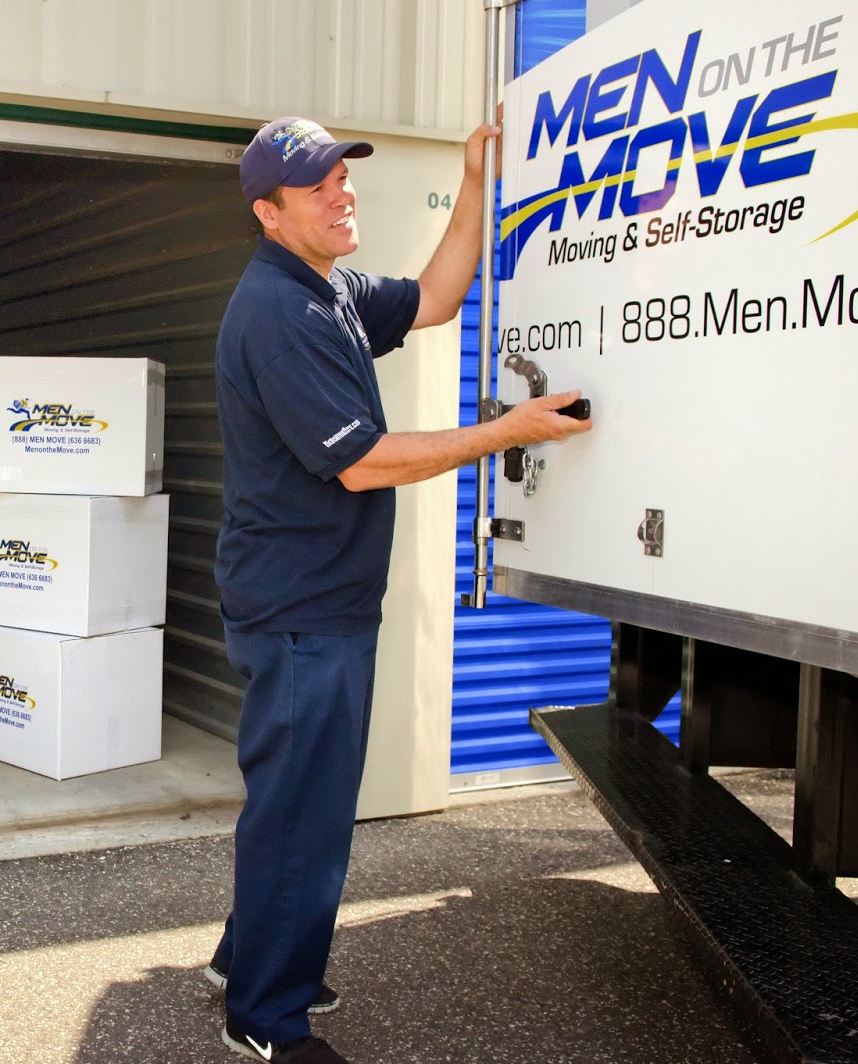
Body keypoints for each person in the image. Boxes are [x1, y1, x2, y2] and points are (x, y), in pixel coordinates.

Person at [207, 116, 593, 1063]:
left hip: (320, 597)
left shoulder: (328, 289)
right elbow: (365, 465)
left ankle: (246, 960)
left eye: (343, 175)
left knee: (301, 798)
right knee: (303, 809)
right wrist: (503, 431)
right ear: (269, 212)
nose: (343, 193)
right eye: (318, 186)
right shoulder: (277, 315)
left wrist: (473, 180)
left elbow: (436, 297)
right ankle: (264, 1015)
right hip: (299, 607)